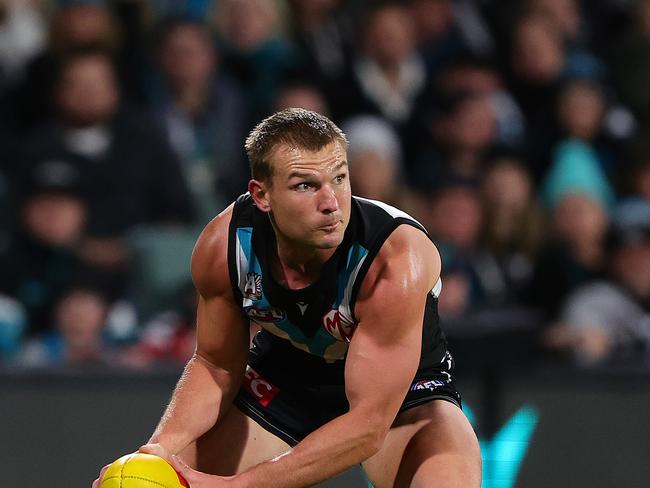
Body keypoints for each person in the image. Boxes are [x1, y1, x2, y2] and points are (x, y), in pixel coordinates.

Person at [93, 108, 480, 488]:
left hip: (403, 392)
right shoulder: (225, 246)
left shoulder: (394, 259)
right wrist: (155, 453)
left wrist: (243, 486)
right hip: (289, 377)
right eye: (305, 185)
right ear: (262, 195)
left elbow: (367, 427)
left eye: (340, 178)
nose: (331, 202)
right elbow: (216, 365)